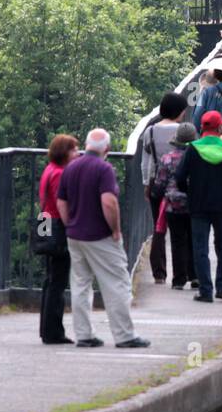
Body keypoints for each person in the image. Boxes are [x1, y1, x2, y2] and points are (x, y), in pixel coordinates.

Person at [56, 128, 151, 348]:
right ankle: (124, 335)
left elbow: (61, 202)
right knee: (116, 283)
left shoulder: (70, 168)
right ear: (106, 149)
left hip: (75, 235)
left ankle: (84, 335)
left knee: (80, 285)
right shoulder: (104, 169)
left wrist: (70, 223)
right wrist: (115, 229)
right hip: (99, 235)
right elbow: (108, 202)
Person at [175, 111, 222, 303]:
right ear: (220, 127)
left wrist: (189, 191)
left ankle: (205, 291)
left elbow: (180, 177)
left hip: (199, 205)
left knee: (200, 247)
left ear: (202, 128)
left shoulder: (193, 149)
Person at [38, 133, 79, 344]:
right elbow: (62, 202)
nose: (78, 153)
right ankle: (54, 331)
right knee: (58, 280)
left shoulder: (49, 169)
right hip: (58, 226)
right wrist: (72, 225)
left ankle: (46, 329)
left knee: (50, 278)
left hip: (45, 223)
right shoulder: (61, 173)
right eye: (73, 149)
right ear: (64, 152)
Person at [142, 92, 186, 284]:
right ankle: (183, 273)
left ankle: (159, 273)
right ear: (178, 111)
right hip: (180, 183)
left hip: (157, 184)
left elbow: (146, 162)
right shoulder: (184, 130)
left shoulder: (150, 131)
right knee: (182, 229)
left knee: (158, 227)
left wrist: (146, 184)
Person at [155, 122, 198, 290]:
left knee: (177, 240)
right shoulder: (199, 158)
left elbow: (160, 183)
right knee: (194, 240)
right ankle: (195, 276)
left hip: (174, 205)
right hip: (195, 204)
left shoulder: (167, 158)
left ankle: (178, 279)